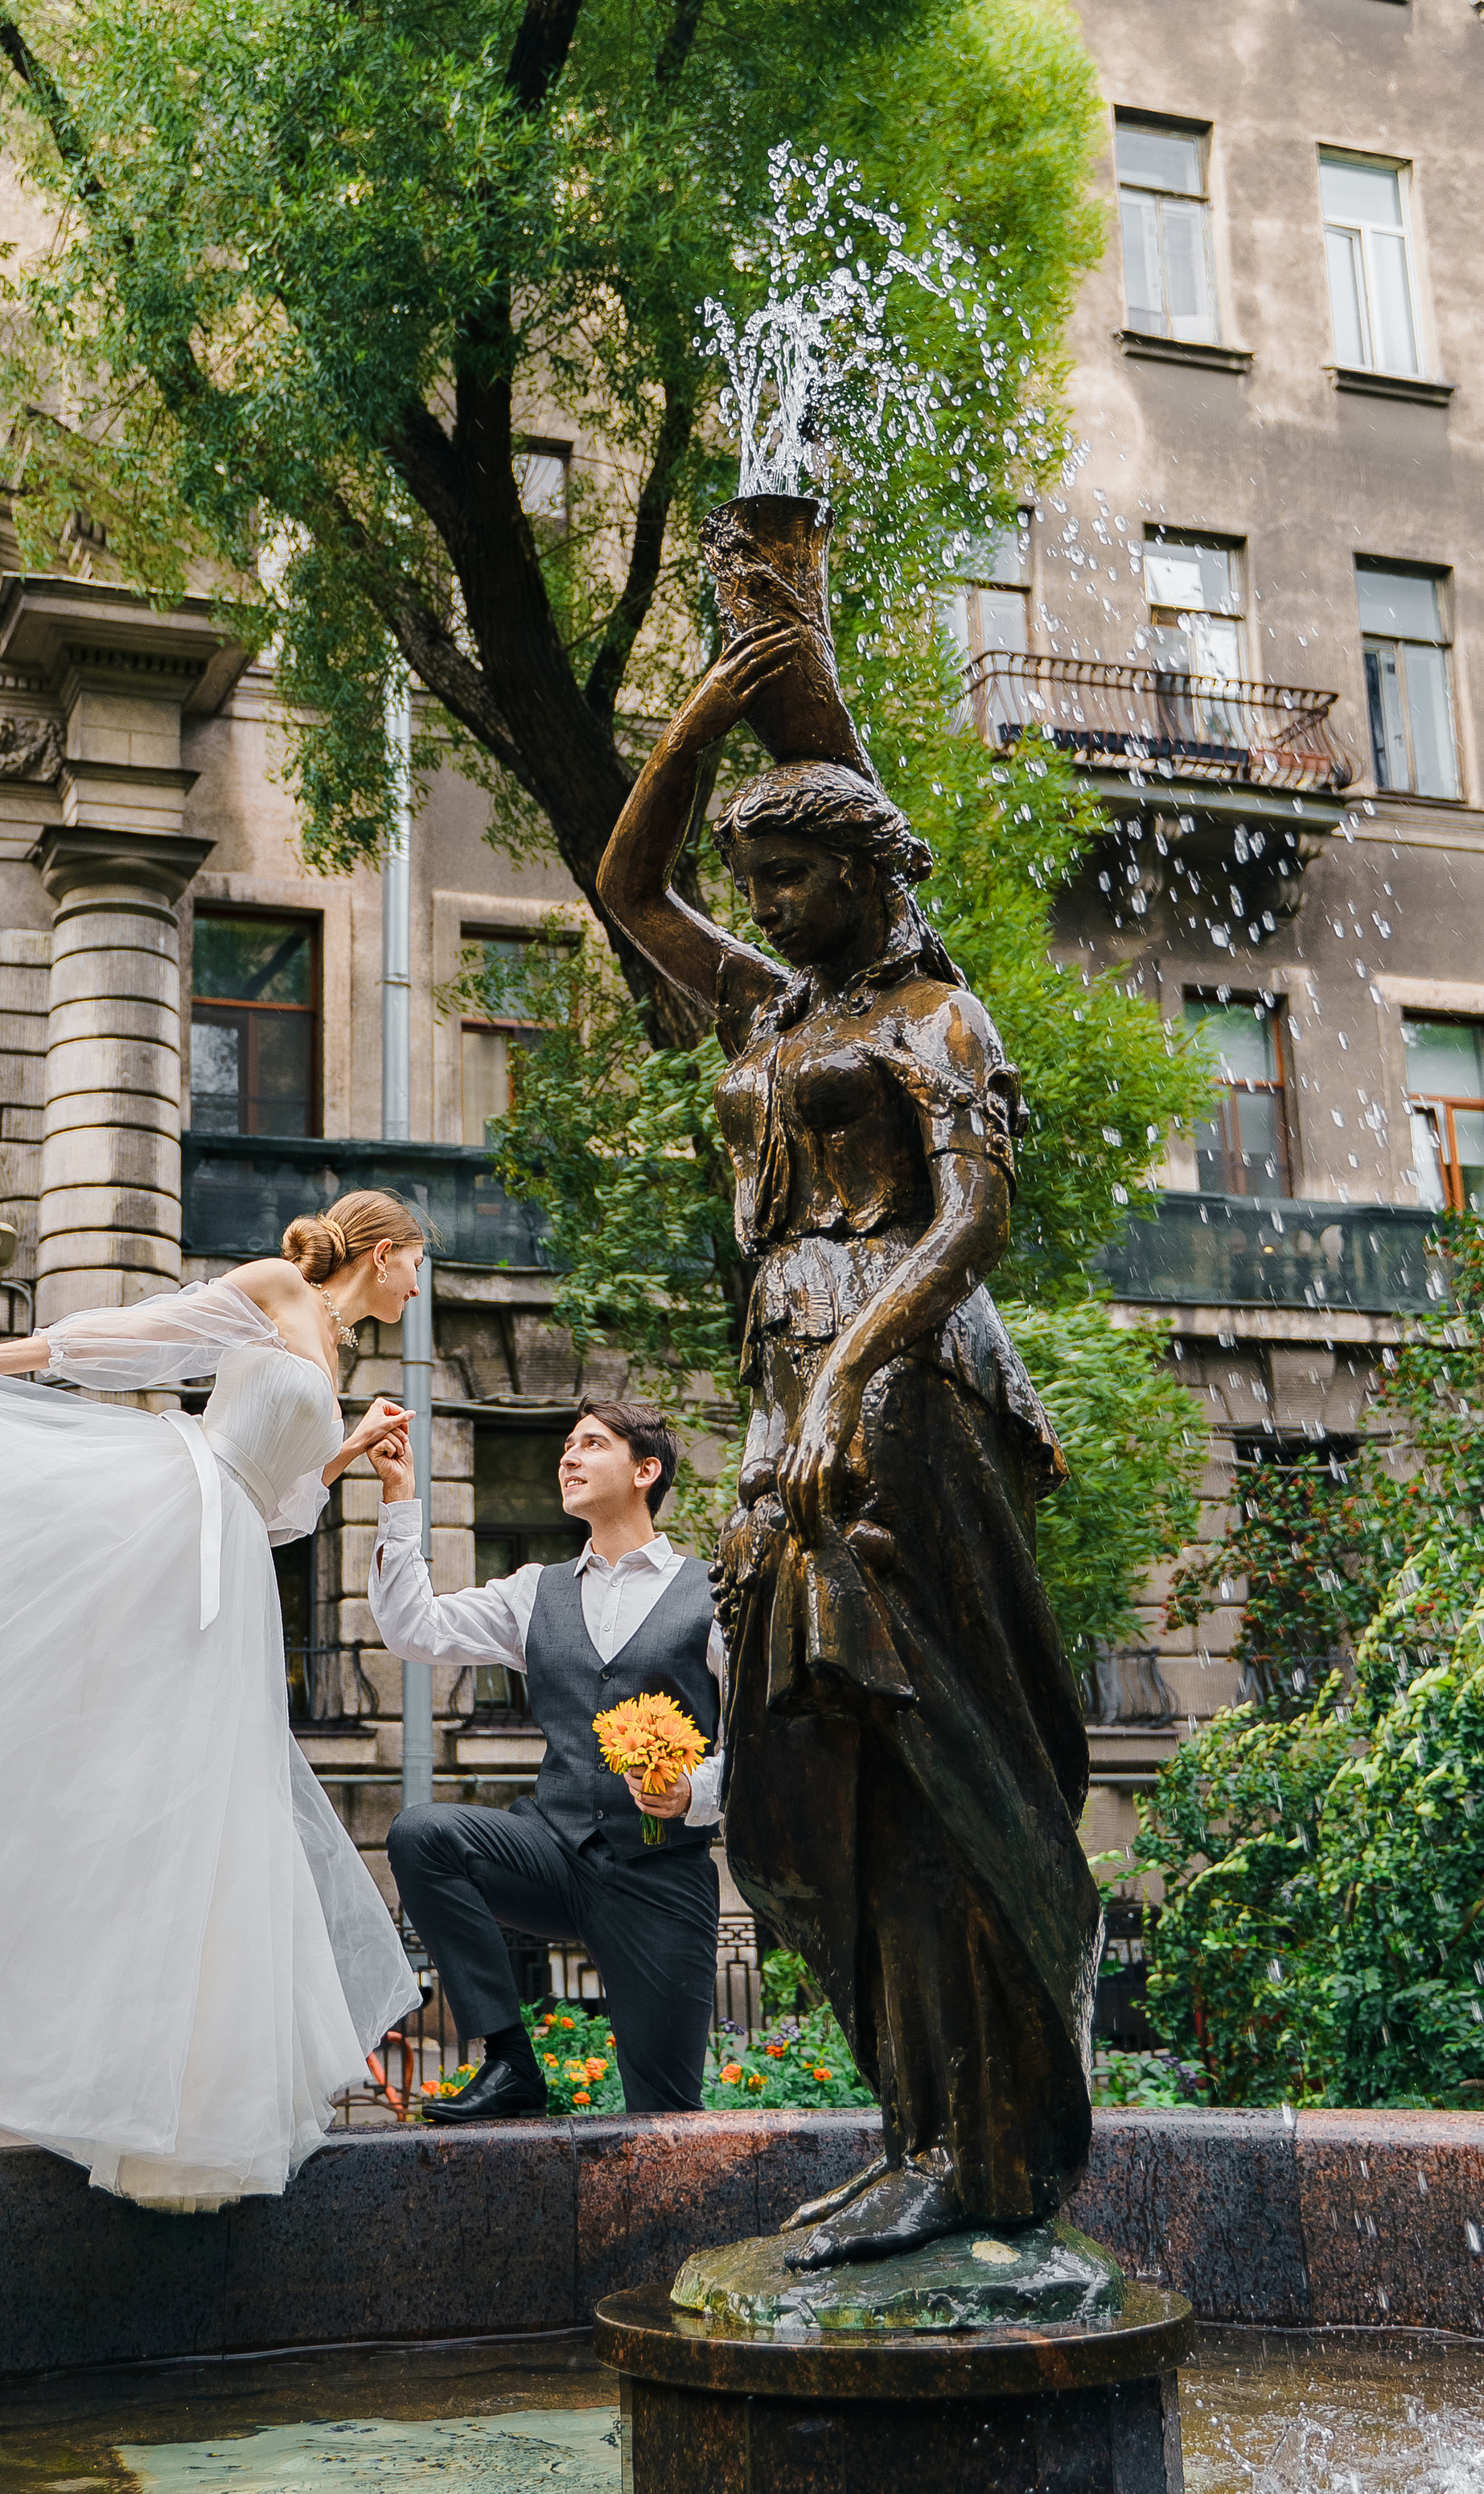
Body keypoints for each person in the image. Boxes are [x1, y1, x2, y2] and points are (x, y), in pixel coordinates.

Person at [594, 608, 1100, 2266]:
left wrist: (840, 1386)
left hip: (901, 1396)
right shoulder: (769, 1003)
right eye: (753, 896)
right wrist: (692, 724)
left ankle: (975, 2143)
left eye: (792, 886)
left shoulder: (933, 1014)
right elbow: (624, 892)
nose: (765, 917)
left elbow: (968, 1225)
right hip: (789, 1395)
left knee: (924, 1764)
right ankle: (915, 2131)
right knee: (813, 1780)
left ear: (867, 878)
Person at [0, 1191, 425, 2211]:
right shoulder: (281, 1289)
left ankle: (177, 2123)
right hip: (168, 1515)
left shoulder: (336, 1352)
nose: (417, 1286)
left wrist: (348, 1450)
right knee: (48, 1705)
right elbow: (143, 1337)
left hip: (229, 1558)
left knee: (186, 1805)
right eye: (415, 1266)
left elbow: (278, 1511)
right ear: (385, 1250)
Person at [371, 1398, 723, 2122]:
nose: (567, 1456)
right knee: (422, 1833)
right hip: (555, 1851)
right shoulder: (535, 1591)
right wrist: (400, 1500)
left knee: (665, 2113)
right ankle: (509, 2062)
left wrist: (695, 1791)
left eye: (592, 1444)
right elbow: (414, 1628)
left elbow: (761, 1743)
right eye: (566, 1444)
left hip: (661, 1876)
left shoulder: (714, 1594)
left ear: (645, 1471)